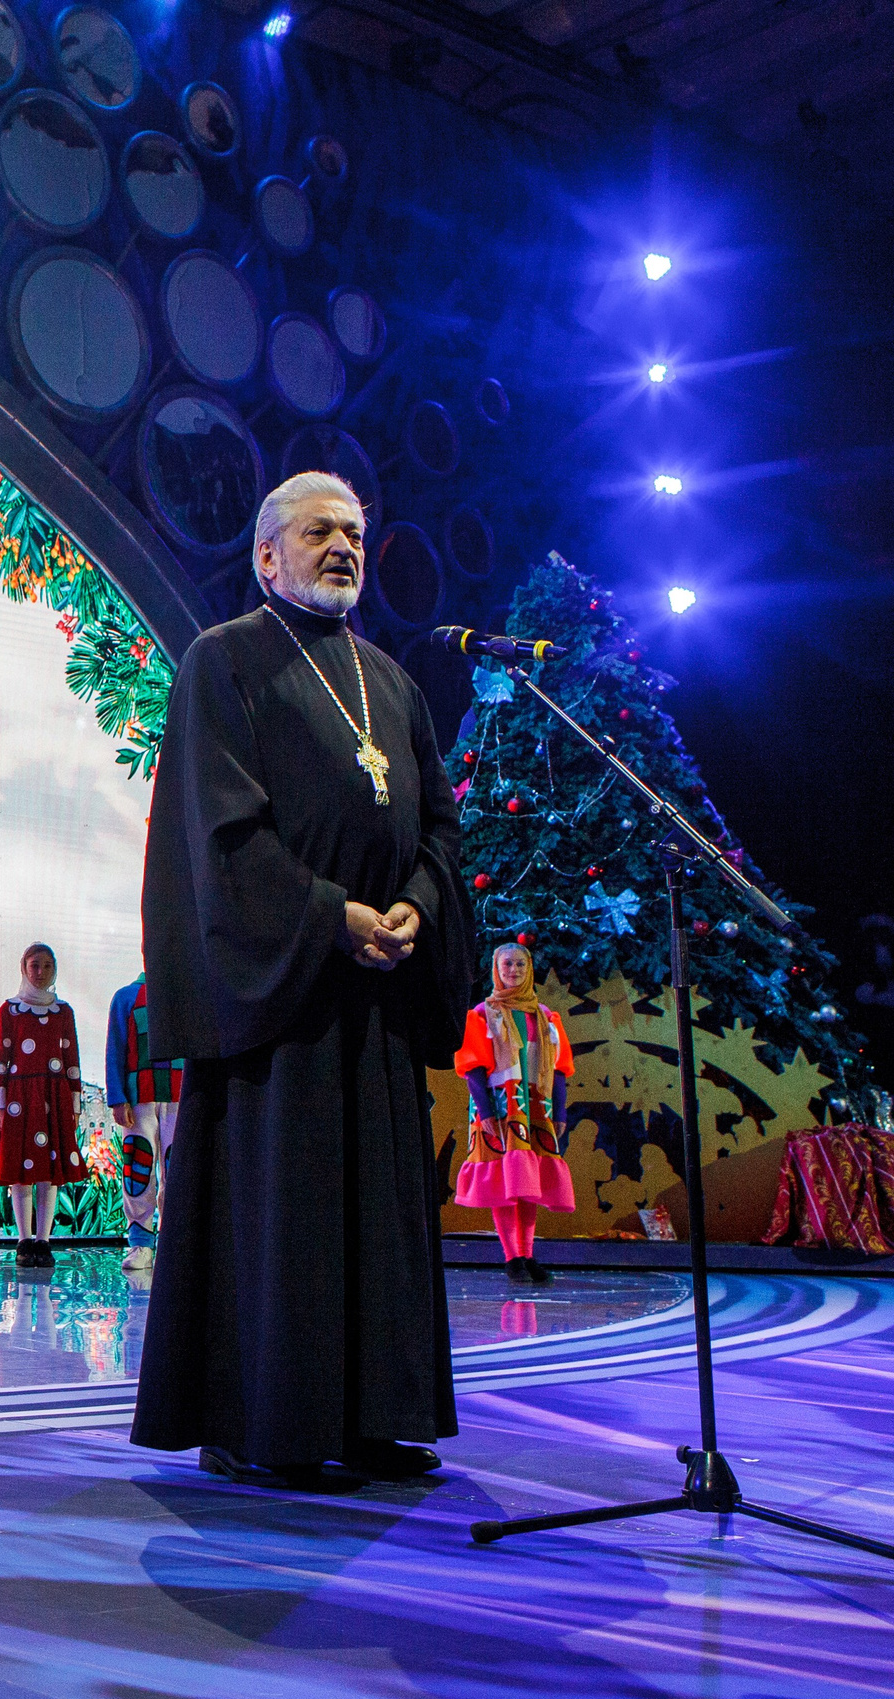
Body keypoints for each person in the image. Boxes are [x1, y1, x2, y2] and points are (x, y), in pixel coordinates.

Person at [131, 470, 475, 1490]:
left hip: (376, 998)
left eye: (356, 533)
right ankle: (264, 1426)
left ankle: (374, 1418)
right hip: (280, 1005)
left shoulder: (392, 683)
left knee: (377, 1221)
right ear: (266, 556)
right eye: (320, 530)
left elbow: (439, 824)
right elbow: (221, 832)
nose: (344, 547)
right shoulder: (224, 660)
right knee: (284, 1221)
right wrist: (332, 917)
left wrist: (416, 903)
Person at [453, 942, 574, 1284]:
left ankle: (528, 1254)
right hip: (500, 1106)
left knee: (528, 1180)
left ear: (529, 969)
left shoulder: (545, 1017)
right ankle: (512, 1257)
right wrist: (487, 1111)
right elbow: (473, 1069)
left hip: (535, 1107)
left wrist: (560, 1112)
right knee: (505, 1180)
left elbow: (559, 1069)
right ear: (496, 968)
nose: (514, 971)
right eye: (507, 964)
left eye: (520, 964)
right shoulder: (483, 1014)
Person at [0, 942, 83, 1270]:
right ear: (24, 968)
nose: (40, 972)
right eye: (34, 965)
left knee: (48, 1170)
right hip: (19, 1097)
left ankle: (43, 1240)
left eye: (46, 966)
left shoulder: (63, 1012)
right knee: (21, 1169)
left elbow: (71, 1057)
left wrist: (74, 1103)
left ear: (54, 969)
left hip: (53, 1096)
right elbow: (0, 1057)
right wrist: (0, 1104)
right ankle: (24, 1239)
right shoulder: (10, 1010)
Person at [105, 972, 185, 1272]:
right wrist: (117, 1097)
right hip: (139, 1098)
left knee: (178, 1167)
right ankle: (140, 1243)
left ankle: (174, 1240)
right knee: (137, 1167)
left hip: (180, 1095)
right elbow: (115, 1048)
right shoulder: (126, 997)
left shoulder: (186, 993)